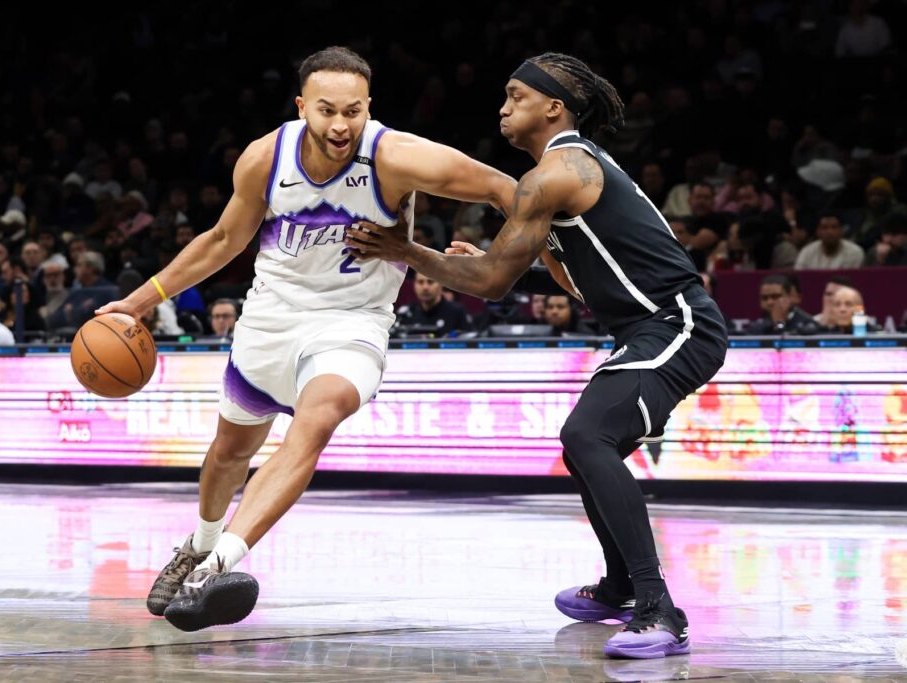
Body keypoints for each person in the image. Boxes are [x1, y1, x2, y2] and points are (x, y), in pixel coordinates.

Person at [95, 46, 517, 632]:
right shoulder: (265, 157)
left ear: (369, 106)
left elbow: (507, 189)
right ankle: (199, 543)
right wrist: (140, 302)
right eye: (326, 111)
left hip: (353, 321)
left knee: (315, 422)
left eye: (353, 111)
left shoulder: (395, 156)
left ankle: (215, 568)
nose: (341, 125)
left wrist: (505, 260)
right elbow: (222, 241)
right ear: (301, 106)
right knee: (229, 453)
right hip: (270, 318)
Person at [348, 52, 729, 659]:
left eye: (516, 96)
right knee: (584, 447)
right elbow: (566, 274)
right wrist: (486, 262)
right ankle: (620, 586)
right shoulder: (563, 174)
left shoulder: (556, 173)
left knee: (587, 436)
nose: (503, 107)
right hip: (648, 328)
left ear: (554, 107)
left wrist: (408, 251)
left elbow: (492, 284)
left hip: (679, 323)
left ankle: (659, 610)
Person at [396, 272, 471, 337]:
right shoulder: (405, 314)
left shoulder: (457, 312)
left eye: (430, 282)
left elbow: (470, 340)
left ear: (441, 284)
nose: (425, 287)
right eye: (420, 282)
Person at [744, 274, 819, 335]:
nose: (770, 302)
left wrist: (779, 323)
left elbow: (781, 343)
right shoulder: (756, 327)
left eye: (775, 296)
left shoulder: (807, 324)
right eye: (765, 298)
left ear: (789, 297)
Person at [795, 213, 865, 269]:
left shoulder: (855, 252)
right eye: (824, 228)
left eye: (834, 227)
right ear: (817, 232)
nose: (830, 232)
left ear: (841, 231)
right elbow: (798, 277)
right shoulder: (807, 252)